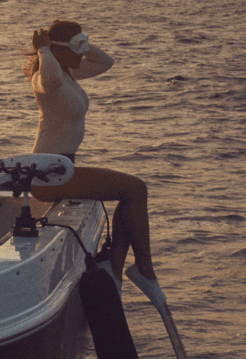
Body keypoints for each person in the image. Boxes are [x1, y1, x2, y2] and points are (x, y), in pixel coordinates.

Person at [24, 20, 158, 283]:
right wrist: (44, 51)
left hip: (63, 168)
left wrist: (79, 45)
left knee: (132, 191)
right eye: (77, 46)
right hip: (47, 173)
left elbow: (105, 62)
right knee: (135, 189)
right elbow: (49, 78)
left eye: (83, 44)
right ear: (58, 51)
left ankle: (117, 267)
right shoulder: (43, 78)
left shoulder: (69, 72)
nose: (82, 53)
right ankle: (141, 269)